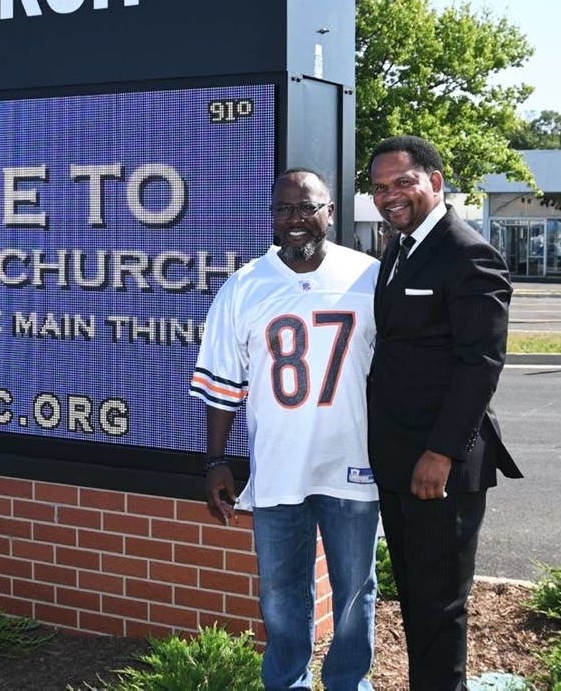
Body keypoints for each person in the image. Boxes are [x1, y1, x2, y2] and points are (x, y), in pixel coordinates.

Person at [190, 169, 380, 691]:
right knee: (278, 593)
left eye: (306, 207)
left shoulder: (368, 276)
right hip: (277, 467)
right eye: (283, 210)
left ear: (330, 212)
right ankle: (287, 684)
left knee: (355, 591)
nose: (295, 220)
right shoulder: (245, 284)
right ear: (272, 217)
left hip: (354, 465)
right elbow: (223, 380)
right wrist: (215, 460)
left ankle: (347, 684)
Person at [367, 136, 521, 689]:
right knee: (415, 602)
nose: (390, 196)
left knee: (439, 610)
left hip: (440, 467)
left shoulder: (467, 252)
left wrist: (440, 452)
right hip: (398, 462)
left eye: (402, 182)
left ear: (435, 181)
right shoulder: (400, 249)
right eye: (380, 188)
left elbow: (480, 362)